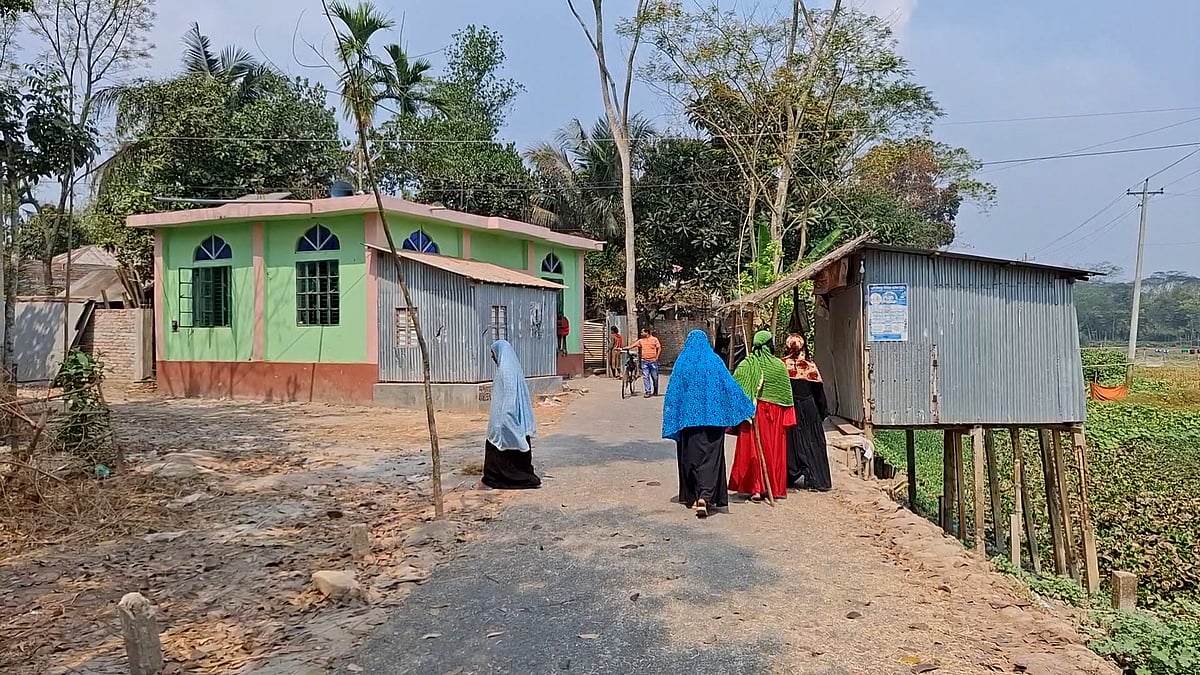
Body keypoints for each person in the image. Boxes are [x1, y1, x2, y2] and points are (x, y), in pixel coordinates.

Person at [662, 330, 756, 518]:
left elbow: (673, 393)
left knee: (691, 458)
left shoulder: (683, 362)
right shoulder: (714, 361)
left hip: (689, 422)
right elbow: (730, 386)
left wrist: (674, 417)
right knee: (711, 459)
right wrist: (747, 407)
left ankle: (695, 497)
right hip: (714, 421)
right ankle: (705, 496)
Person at [728, 330, 795, 501]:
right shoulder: (778, 365)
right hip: (774, 416)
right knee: (771, 449)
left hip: (753, 414)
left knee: (753, 449)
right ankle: (771, 486)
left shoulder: (747, 365)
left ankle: (755, 488)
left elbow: (735, 389)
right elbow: (786, 396)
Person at [480, 340, 542, 490]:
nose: (492, 357)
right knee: (514, 449)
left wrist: (507, 417)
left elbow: (510, 393)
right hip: (506, 418)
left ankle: (496, 480)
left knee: (498, 451)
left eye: (493, 354)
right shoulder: (510, 368)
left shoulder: (506, 370)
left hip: (505, 417)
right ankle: (521, 477)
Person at [781, 334, 833, 491]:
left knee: (790, 443)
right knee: (812, 442)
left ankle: (788, 476)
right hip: (809, 408)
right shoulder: (810, 367)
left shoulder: (781, 366)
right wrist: (822, 413)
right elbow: (819, 394)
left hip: (789, 408)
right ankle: (818, 480)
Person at [629, 328, 662, 398]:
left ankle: (655, 390)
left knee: (655, 377)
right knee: (646, 377)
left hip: (653, 361)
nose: (641, 333)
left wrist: (656, 357)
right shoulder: (641, 341)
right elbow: (632, 346)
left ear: (647, 332)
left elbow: (659, 348)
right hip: (644, 361)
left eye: (642, 332)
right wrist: (623, 348)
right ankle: (648, 392)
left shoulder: (655, 339)